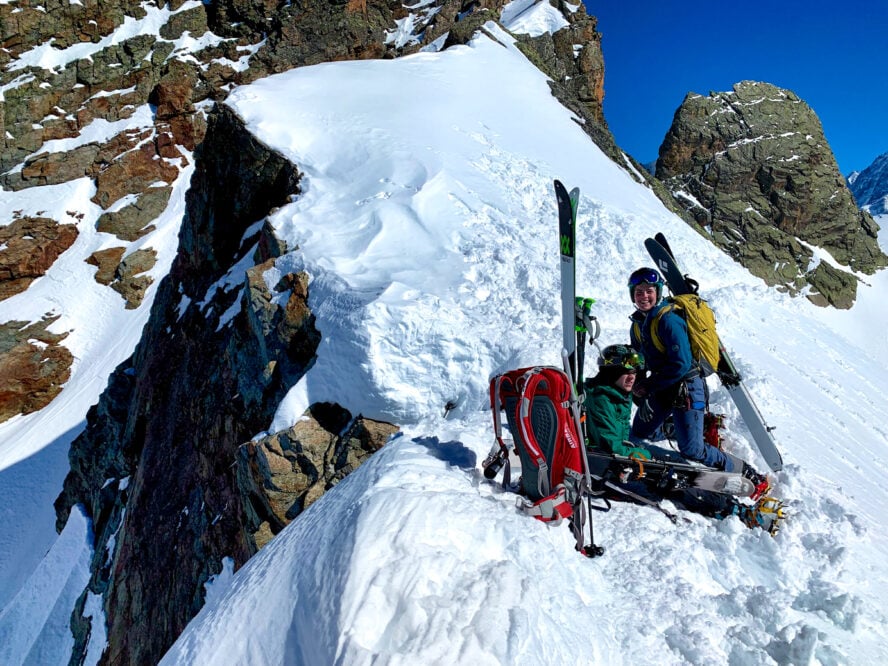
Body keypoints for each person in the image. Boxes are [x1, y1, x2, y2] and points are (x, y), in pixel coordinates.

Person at [584, 344, 783, 534]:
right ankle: (736, 511)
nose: (632, 377)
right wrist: (642, 454)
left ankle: (726, 499)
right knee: (673, 480)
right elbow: (611, 446)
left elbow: (618, 434)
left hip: (623, 450)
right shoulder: (603, 399)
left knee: (676, 463)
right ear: (612, 372)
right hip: (614, 462)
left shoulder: (614, 393)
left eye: (635, 372)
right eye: (626, 371)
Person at [625, 267, 770, 497]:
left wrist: (649, 386)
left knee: (691, 450)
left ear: (658, 292)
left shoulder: (668, 320)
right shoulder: (638, 324)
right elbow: (639, 360)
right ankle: (690, 427)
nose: (644, 296)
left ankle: (746, 473)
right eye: (639, 291)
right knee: (642, 432)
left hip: (686, 389)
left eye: (649, 291)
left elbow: (681, 364)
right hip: (663, 386)